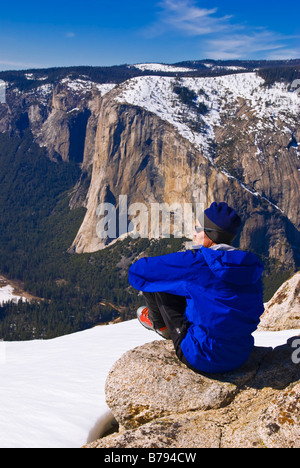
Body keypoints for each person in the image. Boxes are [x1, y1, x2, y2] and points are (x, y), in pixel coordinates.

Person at [128, 202, 265, 374]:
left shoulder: (196, 262)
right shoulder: (251, 267)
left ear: (211, 234)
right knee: (200, 290)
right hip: (240, 355)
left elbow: (138, 272)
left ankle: (161, 326)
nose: (193, 233)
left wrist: (178, 262)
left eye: (198, 229)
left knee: (160, 280)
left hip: (202, 356)